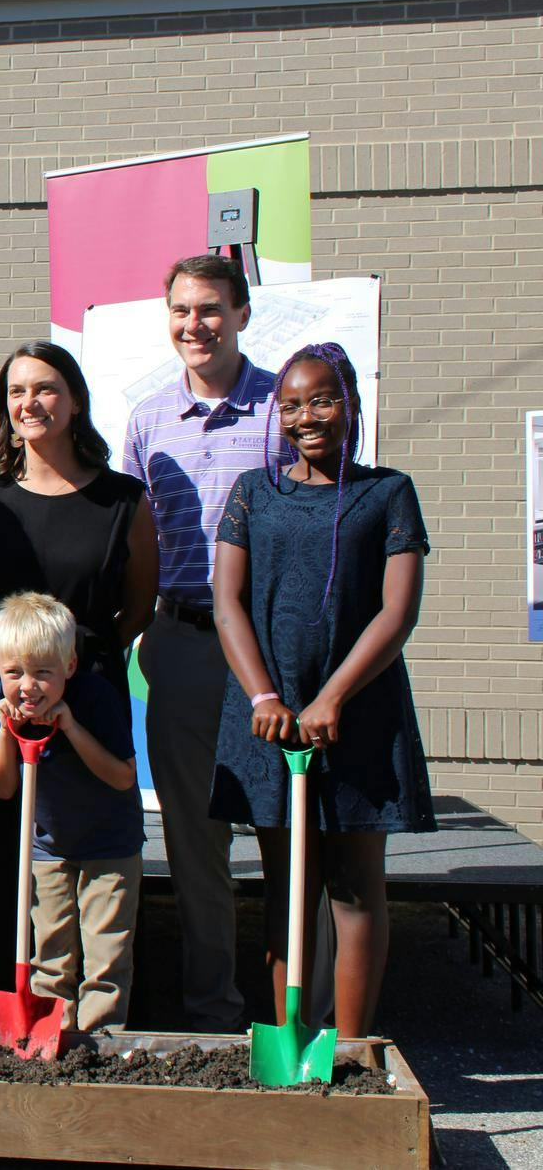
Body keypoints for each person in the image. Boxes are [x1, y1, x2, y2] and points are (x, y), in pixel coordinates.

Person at [211, 343, 433, 1040]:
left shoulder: (388, 492)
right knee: (291, 890)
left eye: (322, 399)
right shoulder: (254, 490)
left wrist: (334, 695)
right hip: (273, 723)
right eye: (292, 404)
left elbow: (396, 611)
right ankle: (295, 1041)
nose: (307, 416)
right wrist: (263, 698)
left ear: (351, 405)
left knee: (356, 887)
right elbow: (227, 600)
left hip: (360, 714)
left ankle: (356, 1046)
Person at [0, 341, 155, 1020]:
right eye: (16, 392)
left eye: (45, 388)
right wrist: (17, 672)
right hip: (5, 696)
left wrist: (79, 668)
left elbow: (138, 604)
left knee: (84, 860)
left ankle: (90, 1015)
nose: (29, 402)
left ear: (76, 399)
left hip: (84, 692)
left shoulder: (123, 499)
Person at [121, 255, 295, 1033]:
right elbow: (132, 543)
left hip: (273, 652)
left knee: (286, 838)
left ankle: (302, 1014)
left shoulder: (280, 412)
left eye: (212, 309)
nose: (196, 324)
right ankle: (214, 1016)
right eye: (182, 310)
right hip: (184, 644)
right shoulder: (148, 418)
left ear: (243, 314)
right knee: (197, 845)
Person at [0, 592, 143, 1033]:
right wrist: (9, 734)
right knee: (49, 957)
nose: (27, 686)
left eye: (42, 674)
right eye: (14, 673)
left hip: (110, 846)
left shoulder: (97, 698)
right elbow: (2, 788)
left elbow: (123, 777)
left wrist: (70, 726)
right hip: (47, 847)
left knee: (106, 959)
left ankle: (101, 1046)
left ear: (69, 667)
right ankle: (53, 1041)